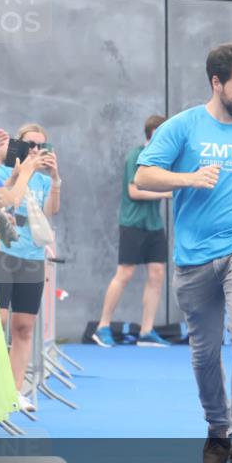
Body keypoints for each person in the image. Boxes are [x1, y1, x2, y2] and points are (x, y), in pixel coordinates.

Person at [134, 42, 232, 463]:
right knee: (204, 352)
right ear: (217, 83)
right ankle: (217, 428)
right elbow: (144, 176)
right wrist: (188, 178)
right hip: (194, 255)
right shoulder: (183, 126)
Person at [0, 124, 61, 411]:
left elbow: (50, 212)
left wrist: (55, 179)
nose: (35, 151)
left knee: (23, 326)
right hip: (4, 253)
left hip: (31, 256)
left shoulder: (43, 180)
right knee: (0, 319)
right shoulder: (2, 174)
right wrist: (26, 170)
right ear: (17, 146)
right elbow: (8, 203)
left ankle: (14, 390)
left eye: (41, 147)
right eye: (30, 145)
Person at [91, 114, 172, 348]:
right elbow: (134, 191)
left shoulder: (162, 160)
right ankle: (102, 326)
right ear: (152, 133)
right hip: (132, 224)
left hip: (154, 225)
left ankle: (146, 332)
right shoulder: (136, 156)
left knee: (157, 274)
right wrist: (167, 193)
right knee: (124, 273)